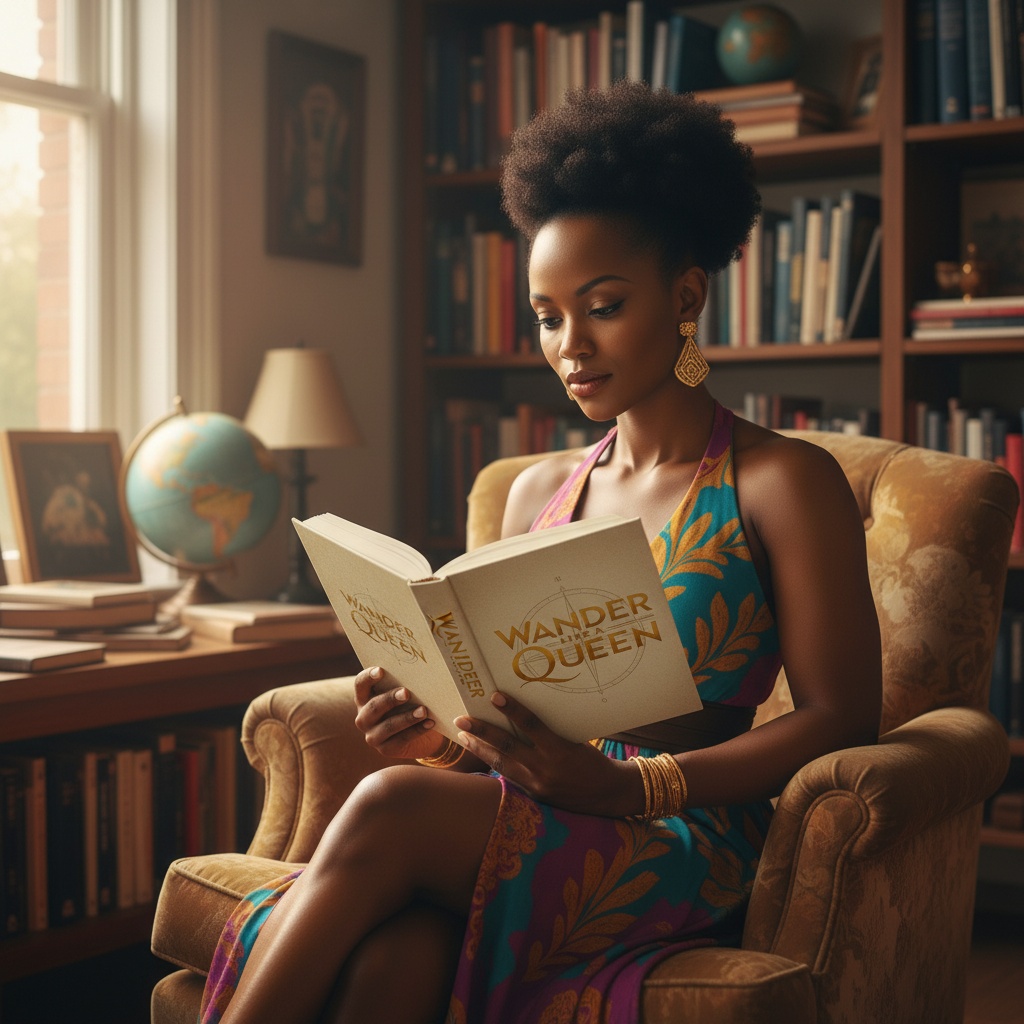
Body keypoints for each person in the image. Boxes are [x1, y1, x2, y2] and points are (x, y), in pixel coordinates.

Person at [200, 80, 882, 1024]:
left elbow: (843, 717)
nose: (570, 345)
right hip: (535, 805)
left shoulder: (780, 481)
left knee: (390, 809)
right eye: (548, 315)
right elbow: (510, 716)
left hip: (682, 825)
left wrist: (635, 783)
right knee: (394, 958)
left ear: (686, 296)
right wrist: (435, 732)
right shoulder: (535, 491)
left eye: (602, 305)